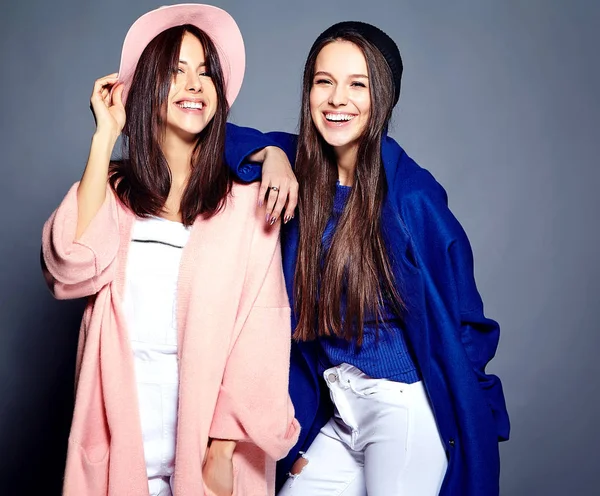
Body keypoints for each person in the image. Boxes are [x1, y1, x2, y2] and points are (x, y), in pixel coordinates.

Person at [226, 21, 510, 496]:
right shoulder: (299, 167)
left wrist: (474, 412)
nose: (338, 99)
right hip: (341, 404)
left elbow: (467, 322)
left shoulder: (412, 198)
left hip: (403, 409)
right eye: (324, 81)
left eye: (357, 84)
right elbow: (215, 141)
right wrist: (270, 153)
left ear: (383, 97)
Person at [40, 4, 299, 495]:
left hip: (206, 446)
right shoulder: (113, 192)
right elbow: (70, 266)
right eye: (176, 72)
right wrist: (105, 137)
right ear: (148, 87)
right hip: (120, 438)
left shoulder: (245, 203)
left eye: (205, 73)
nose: (195, 85)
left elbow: (261, 331)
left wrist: (223, 449)